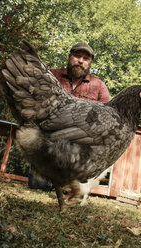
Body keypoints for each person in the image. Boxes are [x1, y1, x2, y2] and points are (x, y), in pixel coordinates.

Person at [28, 42, 111, 191]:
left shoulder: (99, 86)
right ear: (69, 57)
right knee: (38, 187)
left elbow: (107, 117)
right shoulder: (51, 75)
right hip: (47, 142)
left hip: (78, 149)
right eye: (77, 56)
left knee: (70, 191)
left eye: (85, 58)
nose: (80, 61)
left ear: (90, 62)